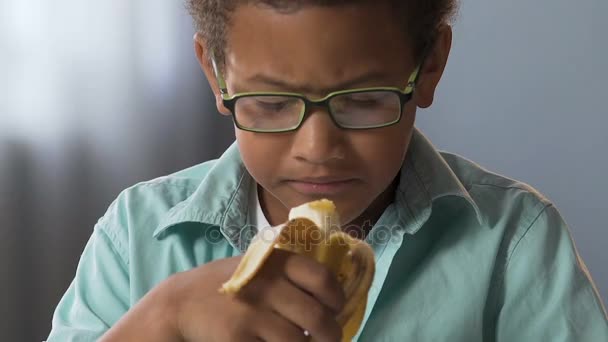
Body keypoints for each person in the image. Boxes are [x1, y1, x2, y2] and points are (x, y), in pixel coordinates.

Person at [47, 1, 608, 341]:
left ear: (430, 66)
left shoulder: (513, 244)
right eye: (270, 103)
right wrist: (162, 321)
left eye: (363, 101)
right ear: (217, 76)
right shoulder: (134, 238)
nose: (317, 148)